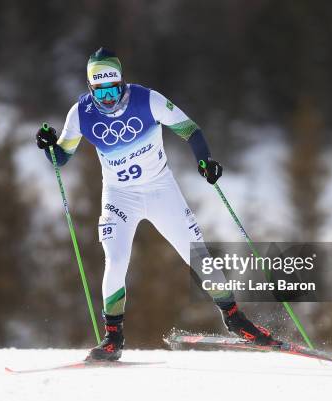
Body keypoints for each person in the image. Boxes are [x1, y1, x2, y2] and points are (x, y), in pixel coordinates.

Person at [35, 47, 279, 361]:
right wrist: (48, 145)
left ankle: (234, 319)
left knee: (197, 252)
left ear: (122, 83)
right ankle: (113, 338)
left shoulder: (146, 100)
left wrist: (205, 161)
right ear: (90, 88)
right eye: (101, 92)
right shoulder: (80, 114)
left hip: (160, 190)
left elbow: (190, 129)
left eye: (114, 90)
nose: (108, 99)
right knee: (116, 259)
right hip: (119, 197)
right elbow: (61, 157)